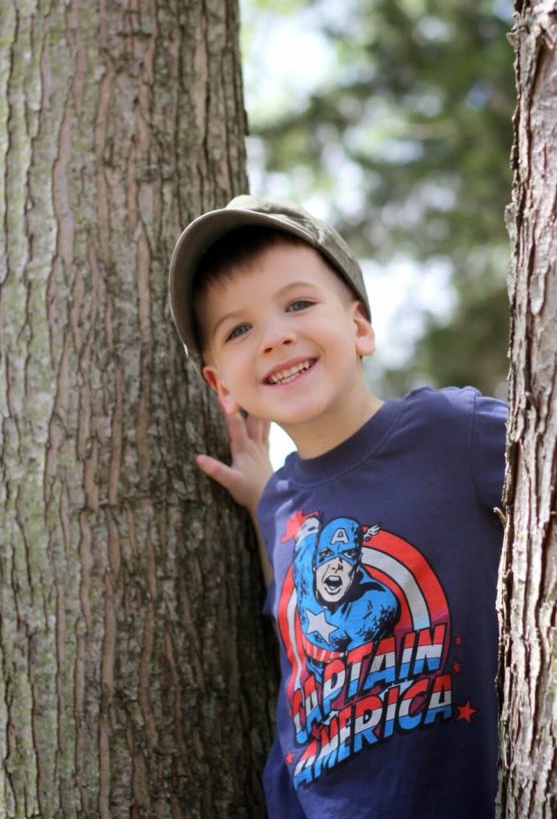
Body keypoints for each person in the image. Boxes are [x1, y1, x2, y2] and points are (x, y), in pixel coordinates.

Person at [168, 194, 506, 819]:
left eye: (298, 304)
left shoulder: (452, 433)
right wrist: (259, 495)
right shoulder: (278, 505)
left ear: (359, 328)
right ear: (220, 385)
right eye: (238, 330)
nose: (275, 336)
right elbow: (291, 594)